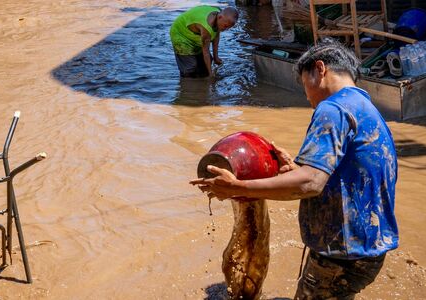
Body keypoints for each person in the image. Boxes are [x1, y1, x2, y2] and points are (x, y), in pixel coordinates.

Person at [190, 40, 399, 299]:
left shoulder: (332, 108)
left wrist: (238, 187)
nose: (307, 95)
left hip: (342, 253)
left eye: (304, 84)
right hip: (368, 247)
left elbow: (310, 183)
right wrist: (295, 168)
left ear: (319, 69)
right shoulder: (365, 107)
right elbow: (350, 173)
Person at [169, 6, 239, 78]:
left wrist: (216, 57)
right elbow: (206, 52)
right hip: (180, 33)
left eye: (229, 27)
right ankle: (185, 83)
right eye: (225, 26)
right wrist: (210, 74)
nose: (226, 29)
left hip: (194, 34)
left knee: (204, 65)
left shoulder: (219, 14)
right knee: (190, 67)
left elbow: (216, 35)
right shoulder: (206, 27)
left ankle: (200, 79)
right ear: (220, 17)